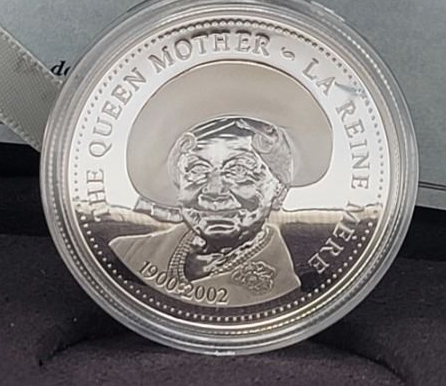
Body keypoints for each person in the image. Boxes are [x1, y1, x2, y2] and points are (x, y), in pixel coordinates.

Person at [109, 63, 334, 308]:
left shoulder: (286, 288)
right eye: (197, 169)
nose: (214, 192)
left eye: (238, 170)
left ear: (278, 188)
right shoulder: (130, 253)